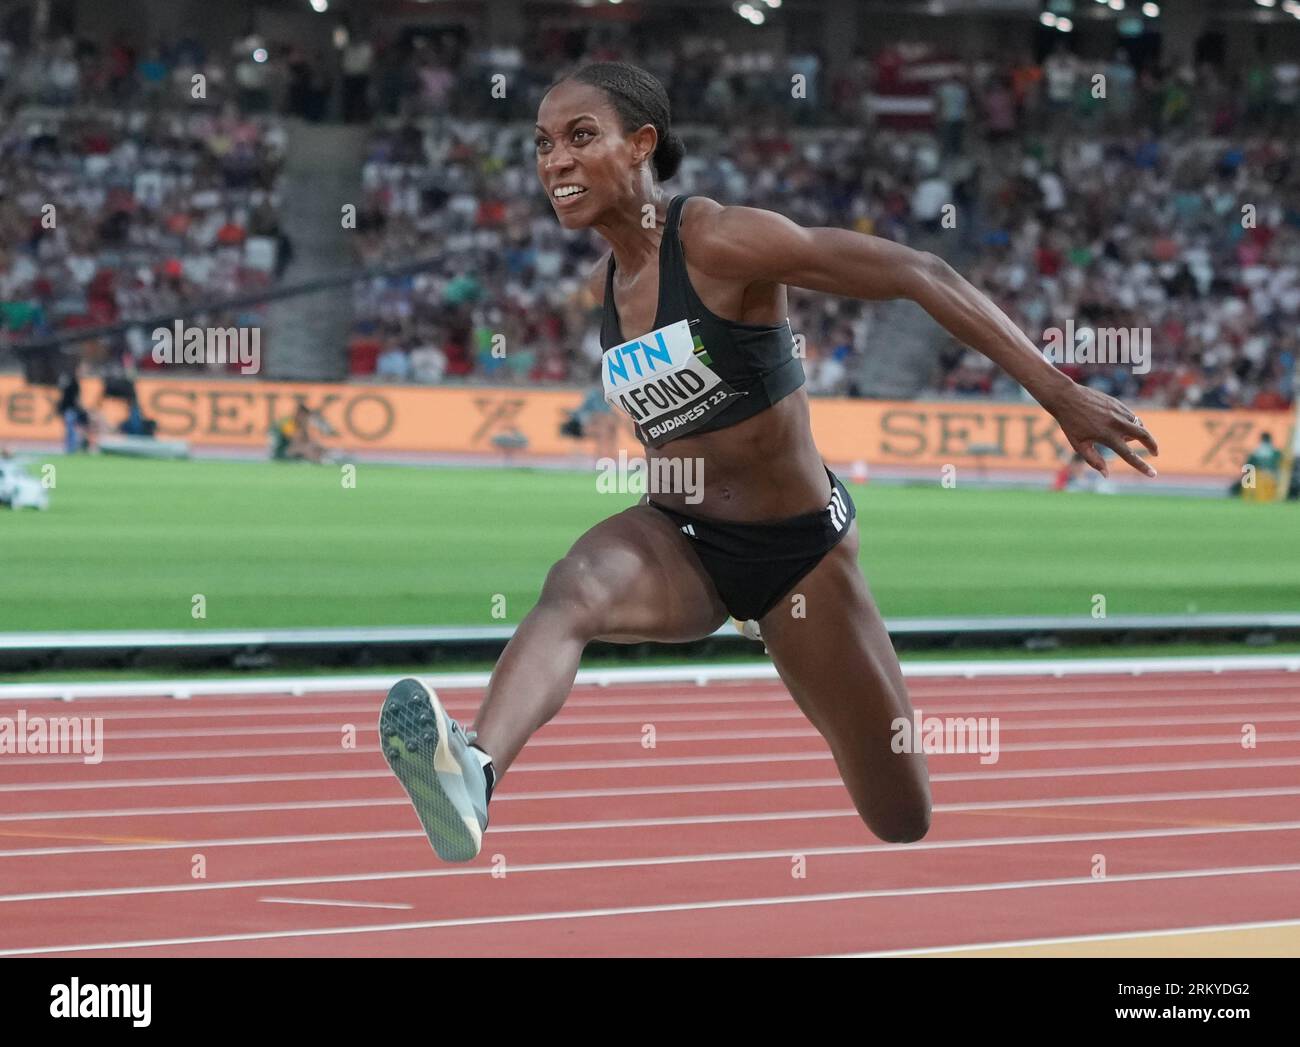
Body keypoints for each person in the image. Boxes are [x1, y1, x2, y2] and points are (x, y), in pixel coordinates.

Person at [377, 62, 1159, 863]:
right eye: (543, 143)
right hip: (679, 538)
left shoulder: (717, 240)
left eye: (581, 137)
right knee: (573, 585)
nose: (556, 161)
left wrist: (1057, 391)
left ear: (642, 143)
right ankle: (473, 769)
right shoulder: (605, 286)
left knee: (901, 813)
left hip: (797, 556)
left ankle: (793, 649)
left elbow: (919, 273)